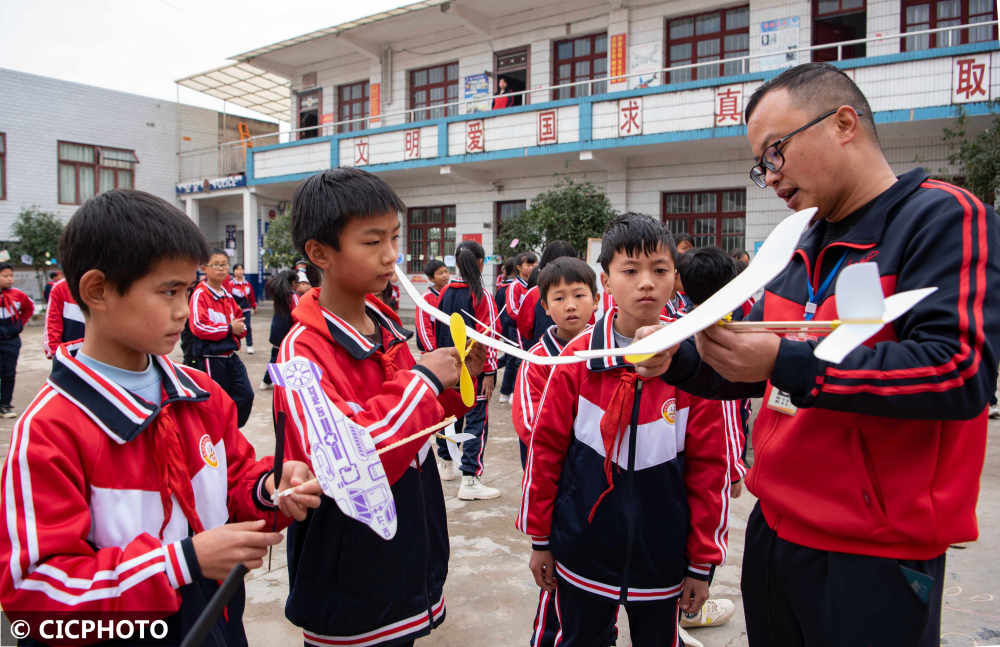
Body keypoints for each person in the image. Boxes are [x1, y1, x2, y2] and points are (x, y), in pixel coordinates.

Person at [638, 62, 1000, 647]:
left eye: (774, 153)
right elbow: (760, 366)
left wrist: (785, 362)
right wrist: (678, 362)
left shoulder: (942, 219)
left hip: (873, 553)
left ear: (844, 123)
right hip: (776, 529)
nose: (770, 177)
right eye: (761, 166)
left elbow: (957, 372)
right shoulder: (799, 242)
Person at [0, 189, 321, 645]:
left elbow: (233, 482)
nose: (182, 310)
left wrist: (271, 489)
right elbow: (36, 595)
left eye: (187, 290)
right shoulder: (51, 429)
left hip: (216, 624)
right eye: (168, 291)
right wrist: (180, 562)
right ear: (97, 290)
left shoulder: (201, 395)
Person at [273, 167, 484, 647]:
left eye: (394, 237)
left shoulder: (384, 325)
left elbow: (411, 430)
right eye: (372, 242)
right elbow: (349, 463)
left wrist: (456, 380)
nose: (391, 255)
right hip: (350, 573)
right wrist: (425, 380)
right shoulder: (301, 354)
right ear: (319, 253)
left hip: (405, 548)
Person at [518, 214, 732, 647]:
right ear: (607, 281)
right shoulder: (577, 359)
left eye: (659, 270)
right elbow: (546, 450)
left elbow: (712, 468)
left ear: (676, 277)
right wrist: (541, 538)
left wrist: (702, 563)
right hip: (583, 550)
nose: (646, 283)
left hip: (663, 558)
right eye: (630, 271)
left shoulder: (695, 365)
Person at [434, 239, 502, 500]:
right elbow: (489, 336)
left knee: (448, 418)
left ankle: (446, 465)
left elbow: (436, 328)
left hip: (447, 371)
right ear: (481, 262)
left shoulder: (444, 292)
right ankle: (470, 480)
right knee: (475, 423)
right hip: (473, 373)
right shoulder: (481, 295)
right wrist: (489, 370)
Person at [188, 249, 254, 427]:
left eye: (224, 264)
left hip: (230, 355)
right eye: (216, 265)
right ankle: (216, 434)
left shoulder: (227, 295)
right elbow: (198, 327)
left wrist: (241, 329)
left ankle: (230, 430)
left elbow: (240, 319)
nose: (221, 269)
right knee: (215, 401)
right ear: (205, 268)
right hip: (211, 358)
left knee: (246, 394)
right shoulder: (200, 294)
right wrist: (229, 329)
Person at [515, 240, 578, 350]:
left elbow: (524, 329)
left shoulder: (535, 293)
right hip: (575, 355)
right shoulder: (582, 294)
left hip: (541, 355)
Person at [499, 252, 538, 401]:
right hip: (515, 328)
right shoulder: (514, 286)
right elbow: (512, 309)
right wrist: (527, 319)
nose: (533, 267)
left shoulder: (534, 285)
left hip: (529, 328)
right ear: (519, 267)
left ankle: (513, 391)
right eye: (529, 265)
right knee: (515, 360)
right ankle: (510, 392)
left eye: (534, 264)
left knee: (523, 359)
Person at [0, 263, 33, 418]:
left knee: (9, 373)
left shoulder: (18, 295)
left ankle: (5, 404)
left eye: (11, 276)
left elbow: (29, 308)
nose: (9, 279)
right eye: (5, 276)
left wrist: (19, 325)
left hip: (11, 341)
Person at [259, 269, 299, 391]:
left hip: (276, 331)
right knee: (285, 358)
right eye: (297, 283)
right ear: (292, 283)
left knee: (276, 357)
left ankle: (267, 381)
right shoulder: (293, 297)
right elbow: (298, 314)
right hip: (287, 332)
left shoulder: (280, 296)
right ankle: (276, 383)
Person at [42, 274, 85, 358]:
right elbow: (53, 323)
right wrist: (54, 351)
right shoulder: (59, 288)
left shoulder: (113, 283)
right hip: (73, 356)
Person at [416, 259, 450, 353]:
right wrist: (432, 350)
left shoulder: (451, 294)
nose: (445, 275)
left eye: (446, 271)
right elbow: (423, 327)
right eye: (440, 273)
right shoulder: (425, 299)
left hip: (451, 349)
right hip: (434, 351)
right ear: (431, 278)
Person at [226, 262, 258, 355]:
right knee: (234, 327)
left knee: (247, 327)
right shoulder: (230, 284)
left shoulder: (247, 284)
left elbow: (251, 296)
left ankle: (250, 345)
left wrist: (254, 306)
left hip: (246, 309)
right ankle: (235, 344)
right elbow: (228, 297)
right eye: (237, 269)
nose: (239, 271)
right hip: (235, 310)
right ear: (234, 271)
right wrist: (234, 306)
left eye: (241, 269)